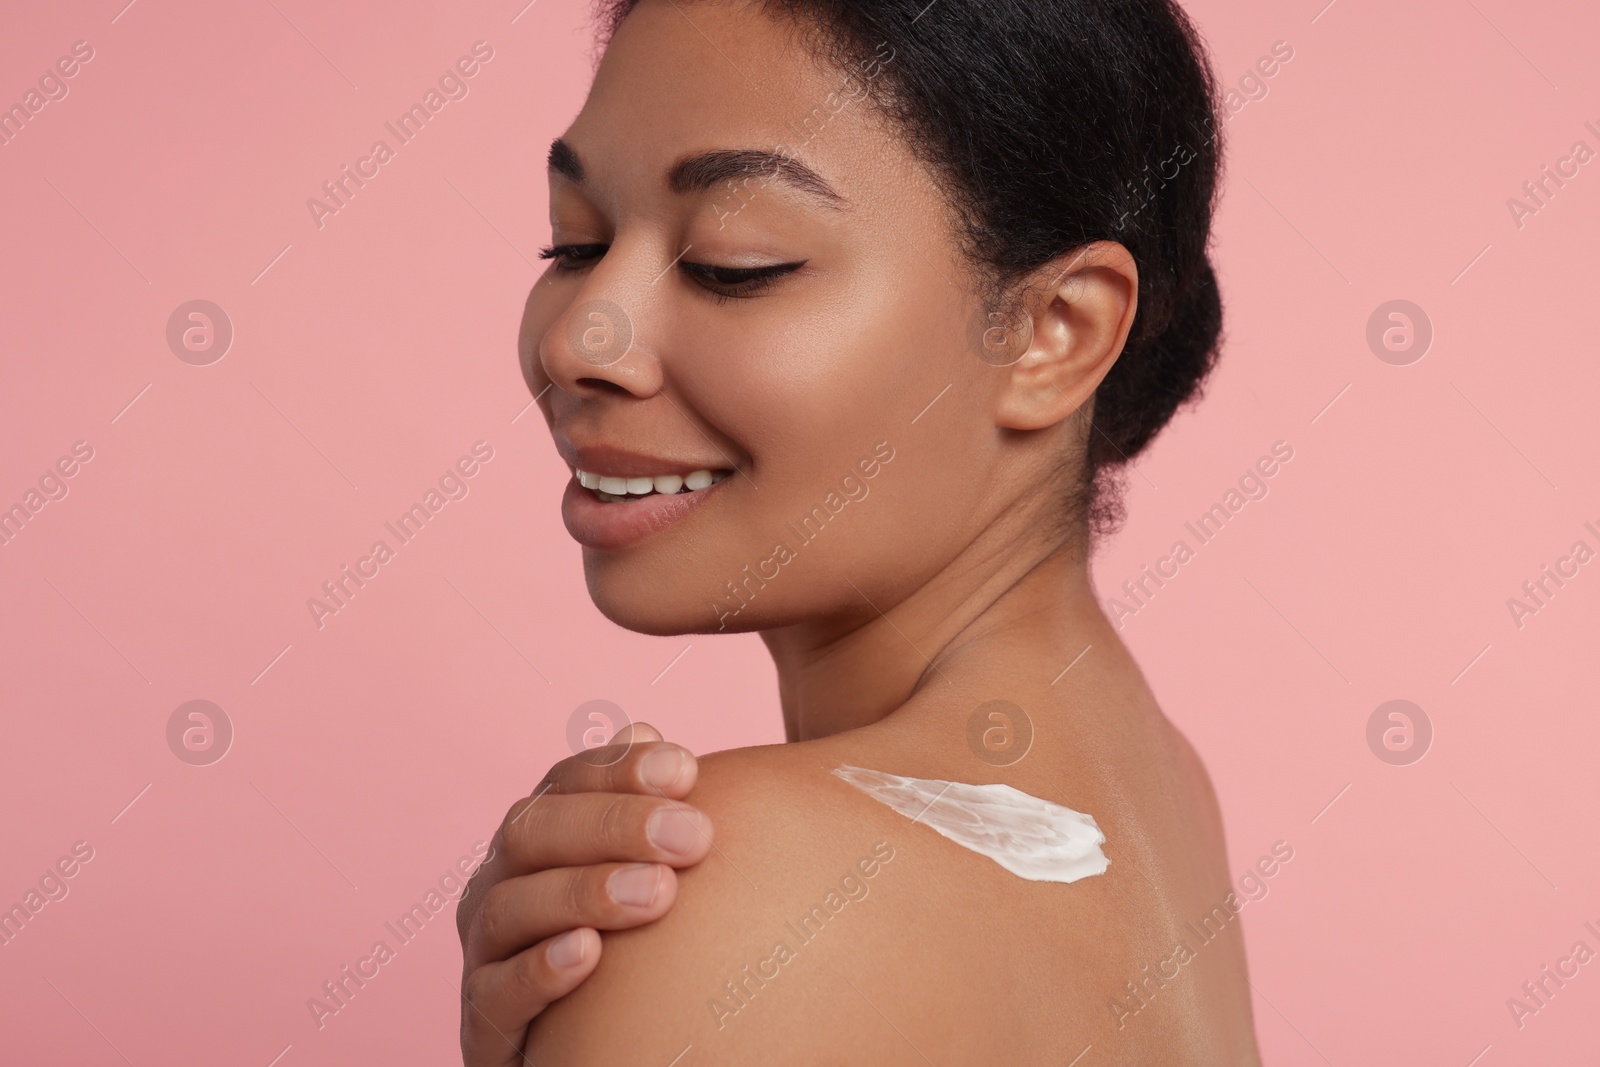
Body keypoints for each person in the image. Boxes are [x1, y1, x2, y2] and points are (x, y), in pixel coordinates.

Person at [457, 0, 1260, 1061]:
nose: (578, 340)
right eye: (576, 241)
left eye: (732, 265)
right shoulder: (1157, 788)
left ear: (1052, 332)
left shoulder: (726, 891)